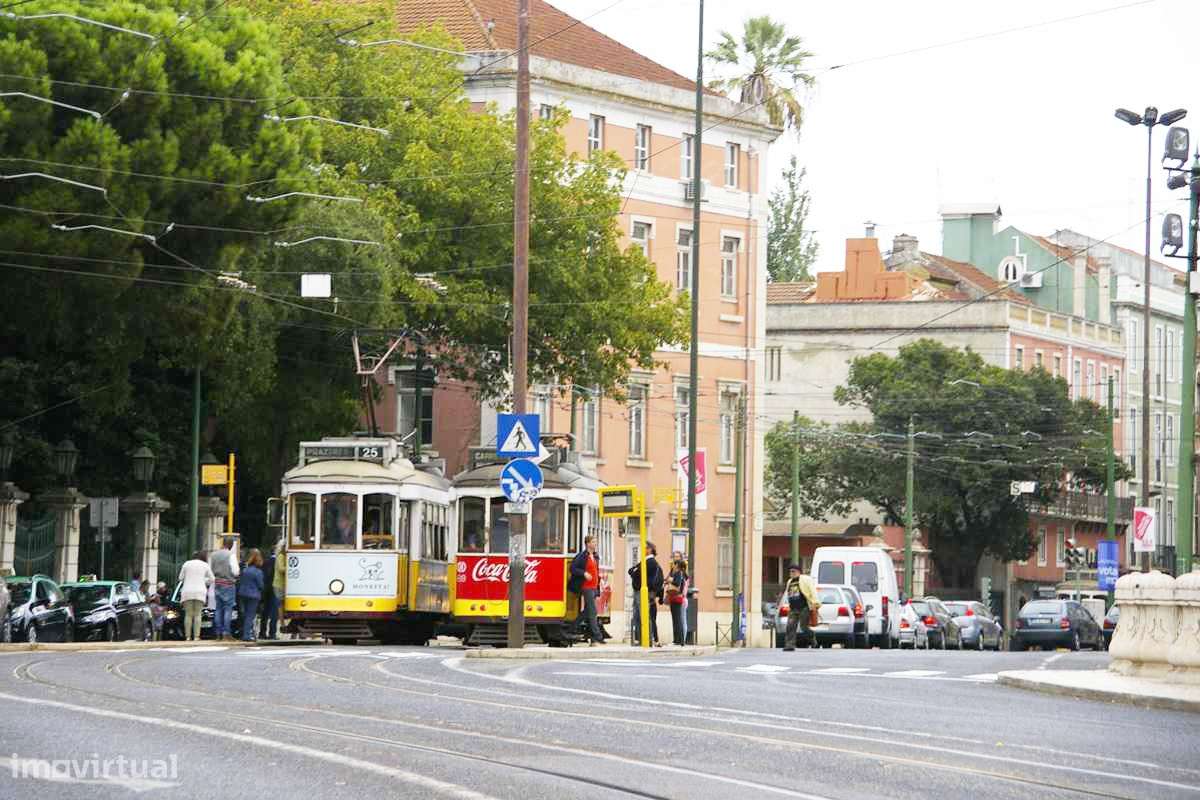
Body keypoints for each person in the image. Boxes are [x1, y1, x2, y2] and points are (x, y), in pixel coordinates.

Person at [568, 534, 605, 646]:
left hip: (594, 587)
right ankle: (598, 636)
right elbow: (573, 568)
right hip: (586, 587)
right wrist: (584, 573)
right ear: (588, 543)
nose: (595, 544)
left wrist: (598, 583)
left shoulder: (595, 556)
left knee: (588, 611)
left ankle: (572, 627)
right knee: (593, 611)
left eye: (595, 542)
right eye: (593, 542)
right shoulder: (582, 556)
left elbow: (596, 571)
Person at [628, 542, 664, 646]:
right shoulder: (646, 562)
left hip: (643, 592)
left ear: (650, 549)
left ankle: (647, 638)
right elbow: (631, 571)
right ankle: (642, 638)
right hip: (641, 591)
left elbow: (635, 573)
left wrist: (635, 571)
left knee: (643, 615)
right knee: (638, 615)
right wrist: (634, 571)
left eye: (645, 548)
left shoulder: (650, 562)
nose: (643, 550)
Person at [780, 563, 820, 651]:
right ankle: (790, 645)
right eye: (790, 572)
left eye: (793, 571)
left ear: (798, 572)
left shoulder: (805, 579)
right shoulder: (790, 581)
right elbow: (788, 594)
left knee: (804, 627)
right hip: (793, 608)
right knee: (790, 626)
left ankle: (813, 640)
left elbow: (812, 590)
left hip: (804, 607)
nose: (791, 573)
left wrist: (815, 603)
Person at [177, 551, 214, 642]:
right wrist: (204, 581)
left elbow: (180, 578)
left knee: (188, 614)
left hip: (187, 591)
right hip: (200, 591)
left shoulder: (186, 564)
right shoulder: (205, 565)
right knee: (198, 614)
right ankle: (196, 636)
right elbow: (212, 579)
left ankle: (188, 636)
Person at [209, 537, 240, 641]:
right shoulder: (231, 555)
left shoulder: (213, 555)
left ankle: (218, 633)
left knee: (218, 608)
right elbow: (236, 571)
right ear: (231, 545)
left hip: (217, 583)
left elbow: (210, 570)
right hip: (228, 584)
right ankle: (226, 633)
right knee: (228, 609)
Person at [237, 548, 264, 642]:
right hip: (254, 595)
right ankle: (246, 635)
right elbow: (261, 585)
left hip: (243, 593)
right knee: (250, 615)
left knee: (244, 614)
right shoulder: (258, 572)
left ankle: (245, 632)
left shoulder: (245, 570)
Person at [259, 543, 280, 640]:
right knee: (274, 612)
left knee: (265, 612)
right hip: (275, 588)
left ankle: (262, 632)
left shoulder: (265, 562)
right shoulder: (278, 561)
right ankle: (272, 633)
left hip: (266, 589)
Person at [666, 558, 688, 646]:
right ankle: (679, 640)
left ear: (676, 565)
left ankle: (679, 640)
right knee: (676, 619)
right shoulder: (679, 573)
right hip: (676, 598)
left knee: (677, 620)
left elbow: (677, 583)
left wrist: (670, 580)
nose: (672, 566)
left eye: (674, 565)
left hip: (676, 598)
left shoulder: (678, 573)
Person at [273, 539, 288, 638]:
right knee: (280, 605)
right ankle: (282, 624)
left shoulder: (284, 556)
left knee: (282, 605)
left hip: (283, 584)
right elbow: (281, 569)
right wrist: (290, 567)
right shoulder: (281, 556)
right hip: (279, 584)